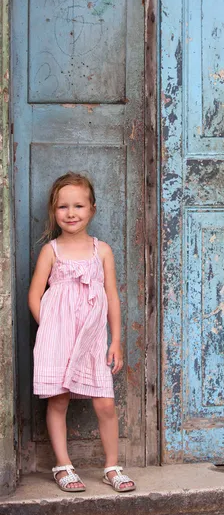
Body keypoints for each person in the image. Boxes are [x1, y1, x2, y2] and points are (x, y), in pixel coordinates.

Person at [28, 172, 135, 493]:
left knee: (104, 403)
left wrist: (115, 340)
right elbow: (35, 294)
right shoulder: (51, 251)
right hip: (57, 339)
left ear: (92, 209)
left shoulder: (101, 251)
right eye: (63, 207)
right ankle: (63, 465)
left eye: (78, 206)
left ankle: (111, 466)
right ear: (53, 210)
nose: (71, 213)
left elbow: (112, 296)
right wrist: (49, 327)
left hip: (91, 338)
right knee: (58, 401)